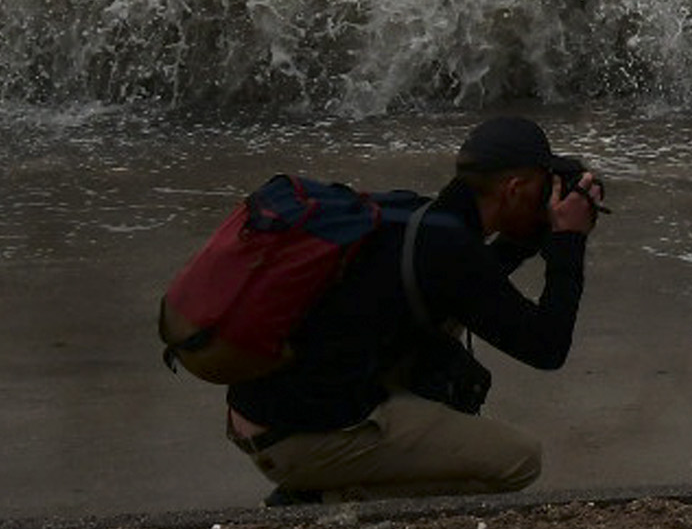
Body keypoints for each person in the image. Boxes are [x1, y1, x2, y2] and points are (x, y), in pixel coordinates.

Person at [223, 114, 605, 504]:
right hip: (296, 441)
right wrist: (569, 242)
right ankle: (322, 498)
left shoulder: (420, 220)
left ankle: (326, 473)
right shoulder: (451, 252)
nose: (547, 202)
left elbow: (472, 286)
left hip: (260, 417)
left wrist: (531, 235)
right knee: (519, 460)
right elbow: (546, 347)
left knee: (442, 328)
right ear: (515, 189)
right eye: (543, 189)